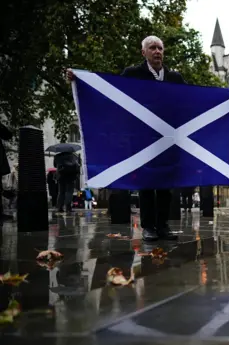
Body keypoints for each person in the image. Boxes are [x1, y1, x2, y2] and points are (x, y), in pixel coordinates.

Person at [68, 35, 183, 241]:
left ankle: (163, 225)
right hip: (143, 138)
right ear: (144, 52)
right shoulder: (132, 74)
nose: (157, 51)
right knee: (147, 185)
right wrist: (80, 79)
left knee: (165, 185)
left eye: (160, 48)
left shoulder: (175, 78)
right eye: (152, 48)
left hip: (168, 138)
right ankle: (148, 227)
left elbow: (191, 101)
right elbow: (110, 92)